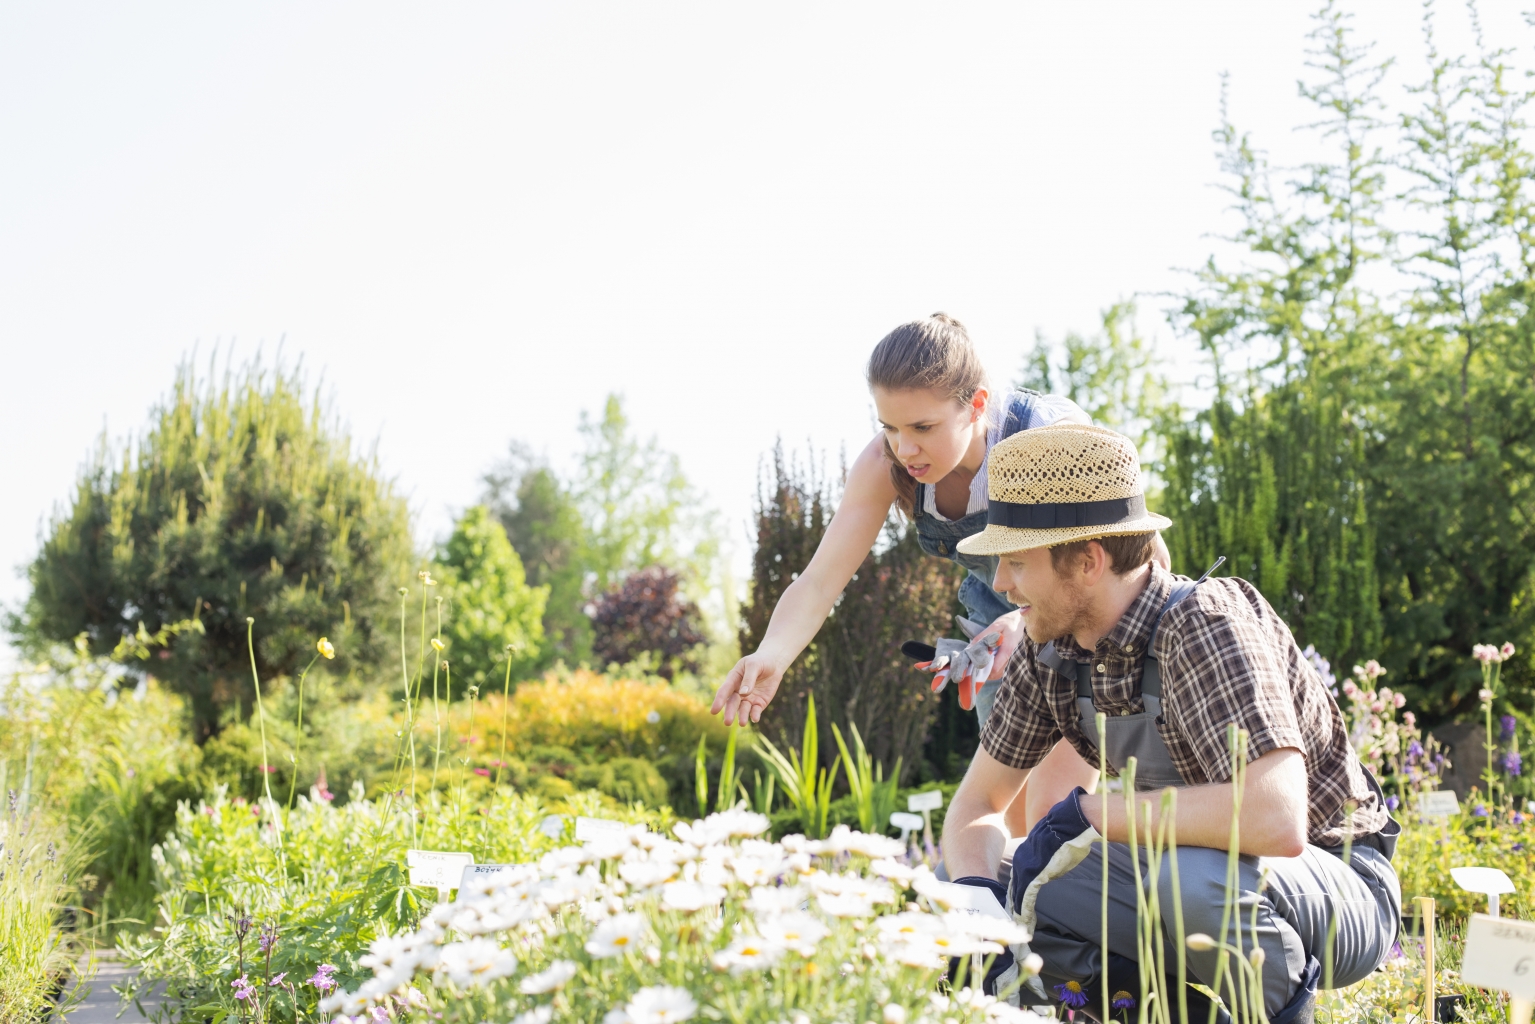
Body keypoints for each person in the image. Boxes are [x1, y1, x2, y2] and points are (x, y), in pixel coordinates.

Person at [940, 422, 1401, 1023]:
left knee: (1191, 880)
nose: (1000, 583)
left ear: (1087, 560)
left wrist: (1094, 815)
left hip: (1337, 887)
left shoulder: (1207, 625)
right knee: (968, 880)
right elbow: (978, 803)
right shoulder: (1047, 649)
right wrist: (976, 900)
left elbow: (1275, 818)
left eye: (1016, 562)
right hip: (1179, 874)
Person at [710, 312, 1167, 828]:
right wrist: (773, 653)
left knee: (1051, 809)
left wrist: (1027, 622)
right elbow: (819, 580)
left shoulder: (1045, 438)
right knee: (1012, 816)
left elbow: (1135, 559)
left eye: (923, 428)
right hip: (997, 617)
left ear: (976, 405)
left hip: (1084, 611)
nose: (905, 449)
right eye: (890, 427)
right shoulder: (886, 465)